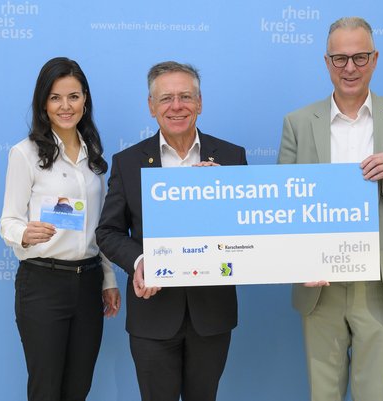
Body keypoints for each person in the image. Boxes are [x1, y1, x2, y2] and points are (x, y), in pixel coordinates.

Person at [279, 16, 383, 401]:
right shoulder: (298, 123)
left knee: (375, 395)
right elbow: (282, 205)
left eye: (360, 57)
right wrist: (297, 261)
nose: (350, 67)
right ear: (327, 61)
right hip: (320, 284)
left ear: (375, 58)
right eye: (340, 58)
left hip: (381, 283)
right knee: (324, 394)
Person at [96, 61, 247, 401]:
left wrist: (225, 194)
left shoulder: (231, 158)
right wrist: (139, 261)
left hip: (212, 314)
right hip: (153, 316)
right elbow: (107, 232)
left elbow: (246, 231)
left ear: (200, 102)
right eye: (166, 98)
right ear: (151, 106)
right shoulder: (128, 162)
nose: (176, 106)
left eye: (185, 97)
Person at [0, 57, 120, 401]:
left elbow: (102, 227)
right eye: (55, 98)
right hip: (42, 283)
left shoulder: (93, 155)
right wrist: (23, 233)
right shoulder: (25, 154)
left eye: (74, 96)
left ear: (85, 100)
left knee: (78, 388)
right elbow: (8, 220)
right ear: (43, 102)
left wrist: (108, 280)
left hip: (88, 283)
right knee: (46, 389)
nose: (65, 106)